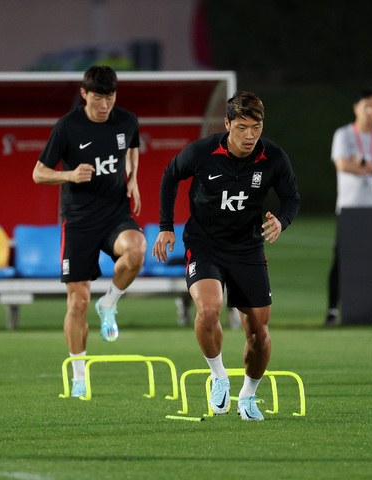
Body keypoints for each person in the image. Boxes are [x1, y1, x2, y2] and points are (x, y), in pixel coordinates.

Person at [152, 91, 300, 421]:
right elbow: (170, 175)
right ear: (228, 124)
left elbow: (291, 198)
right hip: (204, 244)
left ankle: (248, 396)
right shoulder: (203, 152)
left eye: (257, 127)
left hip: (247, 249)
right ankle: (218, 376)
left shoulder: (273, 157)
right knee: (208, 310)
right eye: (242, 127)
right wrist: (166, 226)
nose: (250, 135)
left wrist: (282, 220)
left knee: (259, 334)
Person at [33, 66, 146, 398]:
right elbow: (39, 174)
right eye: (98, 98)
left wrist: (134, 178)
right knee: (78, 302)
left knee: (136, 249)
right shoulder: (67, 127)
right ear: (84, 94)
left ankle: (109, 303)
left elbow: (132, 148)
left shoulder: (127, 120)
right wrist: (69, 176)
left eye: (110, 97)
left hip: (115, 214)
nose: (104, 105)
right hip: (79, 220)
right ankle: (80, 378)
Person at [324, 90, 372, 326]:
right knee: (341, 259)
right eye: (367, 106)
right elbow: (342, 165)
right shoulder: (343, 135)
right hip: (349, 207)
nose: (371, 111)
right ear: (356, 108)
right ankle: (332, 309)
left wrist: (360, 162)